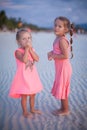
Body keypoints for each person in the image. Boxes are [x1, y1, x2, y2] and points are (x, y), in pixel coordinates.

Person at [9, 28, 43, 118]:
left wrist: (31, 50)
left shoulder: (32, 49)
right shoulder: (18, 52)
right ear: (19, 42)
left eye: (29, 38)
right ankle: (25, 112)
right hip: (23, 77)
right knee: (24, 95)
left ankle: (32, 109)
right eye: (24, 39)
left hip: (32, 76)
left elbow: (37, 59)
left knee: (33, 94)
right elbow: (24, 60)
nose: (27, 40)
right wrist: (27, 50)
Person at [47, 16, 74, 116]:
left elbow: (66, 55)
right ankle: (62, 108)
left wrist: (54, 55)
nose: (56, 28)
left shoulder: (62, 40)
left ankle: (65, 109)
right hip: (60, 68)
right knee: (61, 87)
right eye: (55, 25)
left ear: (65, 29)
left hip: (64, 68)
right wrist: (51, 53)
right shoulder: (57, 38)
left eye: (59, 26)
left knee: (63, 88)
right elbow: (57, 50)